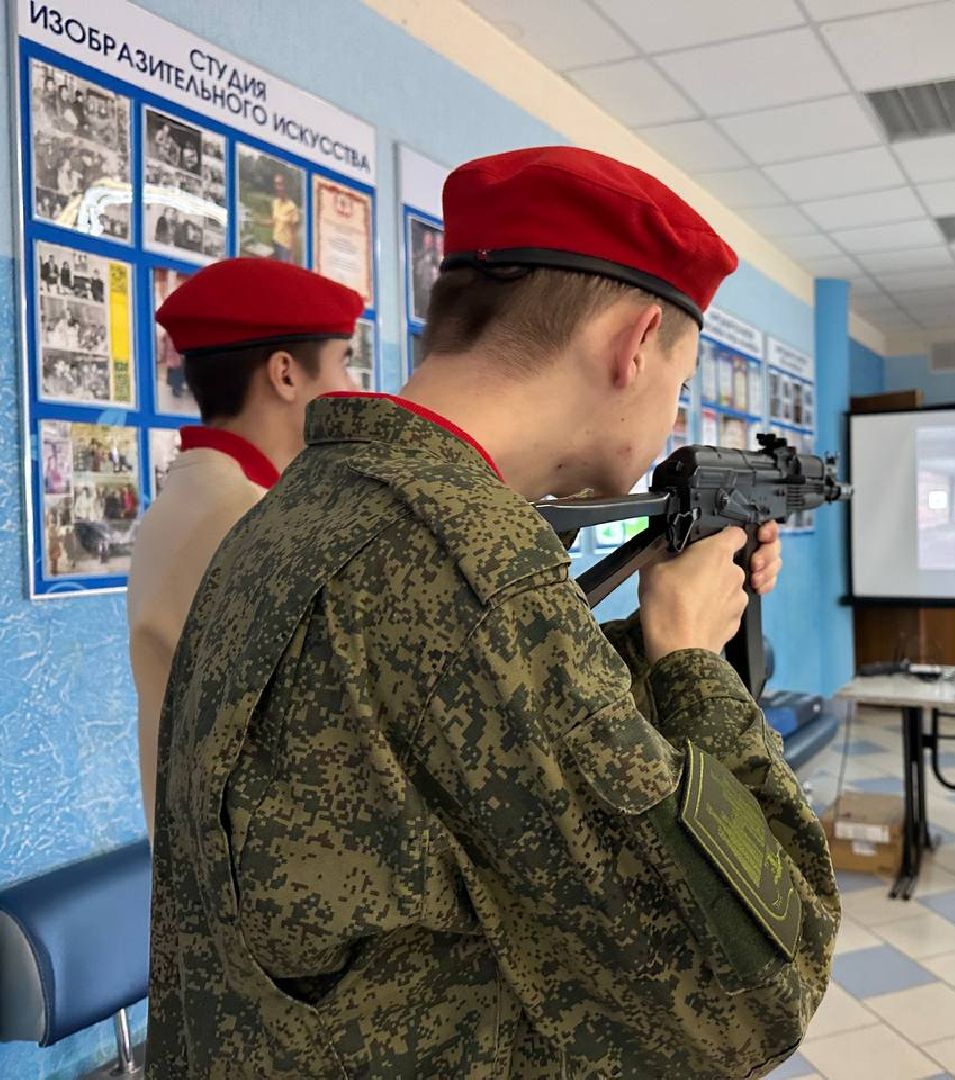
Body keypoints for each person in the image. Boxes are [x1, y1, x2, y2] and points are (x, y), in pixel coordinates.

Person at [148, 146, 837, 1077]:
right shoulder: (471, 561)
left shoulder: (300, 507)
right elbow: (761, 989)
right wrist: (688, 662)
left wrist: (656, 635)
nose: (669, 418)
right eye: (677, 387)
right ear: (633, 345)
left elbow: (457, 747)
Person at [128, 259, 362, 838]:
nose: (355, 389)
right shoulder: (255, 521)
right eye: (345, 363)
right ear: (285, 374)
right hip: (266, 890)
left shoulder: (190, 497)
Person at [267, 172, 301, 263]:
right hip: (275, 242)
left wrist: (292, 256)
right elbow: (273, 222)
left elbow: (294, 233)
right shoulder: (275, 203)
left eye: (280, 184)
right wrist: (256, 221)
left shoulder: (292, 207)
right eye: (276, 184)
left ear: (286, 186)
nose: (277, 188)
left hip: (285, 248)